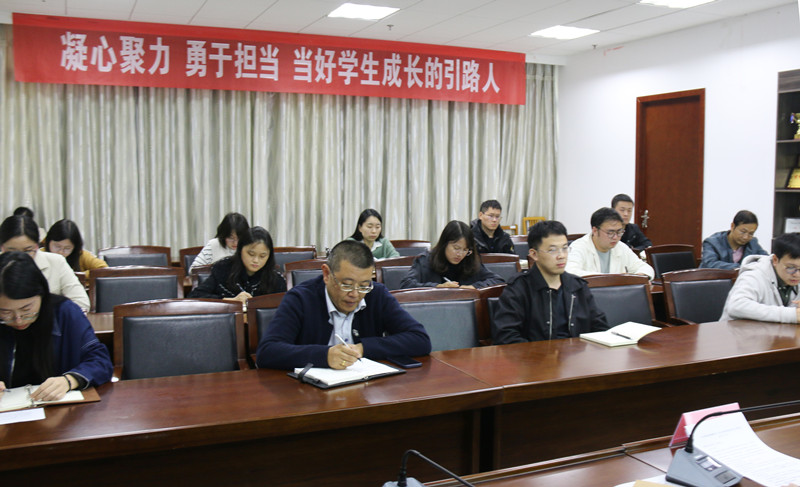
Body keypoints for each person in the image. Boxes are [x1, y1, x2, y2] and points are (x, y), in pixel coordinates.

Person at [256, 240, 431, 370]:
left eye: (363, 285)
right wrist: (324, 355)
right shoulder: (300, 299)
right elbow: (268, 352)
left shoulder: (377, 294)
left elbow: (420, 339)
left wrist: (364, 348)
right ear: (326, 274)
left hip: (366, 392)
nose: (355, 294)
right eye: (346, 285)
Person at [0, 252, 112, 400]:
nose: (18, 320)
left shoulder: (64, 313)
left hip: (58, 407)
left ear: (42, 294)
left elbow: (100, 361)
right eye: (5, 312)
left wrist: (70, 380)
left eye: (26, 309)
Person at [492, 220, 608, 343]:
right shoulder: (519, 288)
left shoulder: (577, 286)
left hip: (576, 353)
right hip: (535, 354)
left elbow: (600, 328)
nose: (561, 256)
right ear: (534, 254)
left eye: (565, 248)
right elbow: (506, 336)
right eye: (553, 250)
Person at [0, 215, 89, 312]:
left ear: (37, 246)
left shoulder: (56, 262)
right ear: (2, 247)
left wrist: (43, 316)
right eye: (12, 252)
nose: (20, 257)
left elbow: (81, 303)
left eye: (27, 251)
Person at [189, 226, 286, 304]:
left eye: (262, 256)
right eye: (251, 254)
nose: (256, 260)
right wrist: (230, 301)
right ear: (240, 250)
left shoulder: (276, 278)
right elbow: (195, 297)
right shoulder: (223, 269)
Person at [719, 233, 800, 322]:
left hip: (772, 330)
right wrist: (792, 314)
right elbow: (736, 306)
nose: (797, 275)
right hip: (735, 330)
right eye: (791, 267)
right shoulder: (754, 276)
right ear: (775, 260)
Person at [400, 220, 504, 289]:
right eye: (456, 248)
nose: (460, 254)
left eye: (465, 250)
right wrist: (437, 287)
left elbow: (498, 281)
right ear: (444, 244)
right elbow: (406, 284)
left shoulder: (470, 261)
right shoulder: (425, 261)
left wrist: (475, 287)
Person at [565, 207, 654, 279]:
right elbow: (570, 272)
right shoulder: (579, 247)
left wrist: (640, 277)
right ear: (595, 230)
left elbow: (646, 268)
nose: (615, 237)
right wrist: (612, 278)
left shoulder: (620, 247)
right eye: (610, 232)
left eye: (619, 232)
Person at [700, 210, 768, 269]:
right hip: (712, 279)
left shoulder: (752, 243)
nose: (746, 237)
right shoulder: (712, 242)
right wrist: (742, 267)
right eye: (743, 232)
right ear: (732, 226)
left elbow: (766, 260)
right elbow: (710, 264)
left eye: (751, 233)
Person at [43, 219, 108, 276]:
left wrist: (77, 276)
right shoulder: (41, 255)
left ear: (75, 247)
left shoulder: (80, 255)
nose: (61, 252)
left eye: (67, 248)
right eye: (57, 246)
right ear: (48, 241)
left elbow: (104, 269)